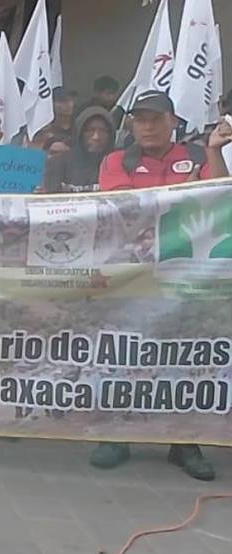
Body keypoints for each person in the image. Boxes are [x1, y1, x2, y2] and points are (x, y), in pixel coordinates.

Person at [92, 90, 230, 480]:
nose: (147, 126)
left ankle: (183, 442)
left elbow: (222, 198)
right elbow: (127, 206)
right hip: (134, 274)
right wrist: (188, 191)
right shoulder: (117, 160)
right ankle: (116, 435)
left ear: (173, 122)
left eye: (155, 119)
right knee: (124, 354)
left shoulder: (198, 156)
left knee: (183, 359)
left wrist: (214, 152)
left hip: (187, 275)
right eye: (140, 119)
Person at [43, 106, 114, 193]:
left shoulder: (119, 164)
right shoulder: (57, 164)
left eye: (103, 131)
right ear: (79, 132)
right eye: (89, 130)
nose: (96, 137)